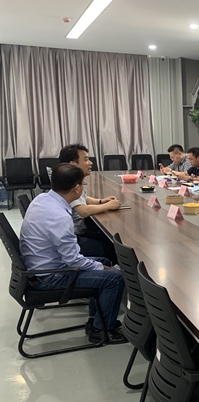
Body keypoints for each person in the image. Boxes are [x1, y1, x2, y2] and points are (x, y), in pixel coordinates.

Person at [20, 163, 127, 344]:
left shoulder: (41, 199)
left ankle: (95, 320)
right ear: (77, 188)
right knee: (116, 278)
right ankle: (102, 331)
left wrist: (102, 265)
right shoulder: (60, 217)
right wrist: (103, 268)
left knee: (104, 261)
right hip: (49, 276)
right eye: (83, 184)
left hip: (39, 268)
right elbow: (73, 260)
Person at [58, 144, 120, 263]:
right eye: (86, 159)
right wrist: (108, 206)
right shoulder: (70, 184)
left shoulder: (69, 180)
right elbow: (83, 211)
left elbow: (82, 198)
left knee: (110, 239)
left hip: (77, 231)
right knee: (111, 247)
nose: (90, 163)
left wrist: (100, 201)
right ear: (73, 164)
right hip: (74, 236)